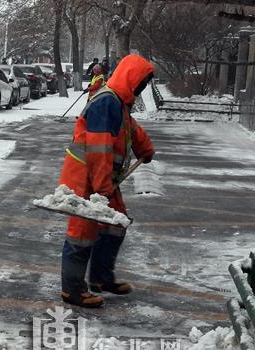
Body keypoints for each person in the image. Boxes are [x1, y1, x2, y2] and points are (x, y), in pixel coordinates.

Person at [58, 54, 156, 308]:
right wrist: (102, 189)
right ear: (130, 79)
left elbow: (130, 128)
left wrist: (144, 148)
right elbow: (99, 149)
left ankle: (100, 278)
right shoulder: (105, 102)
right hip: (85, 177)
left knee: (115, 224)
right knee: (82, 232)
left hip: (102, 178)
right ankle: (72, 289)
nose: (142, 88)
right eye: (141, 82)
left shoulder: (120, 104)